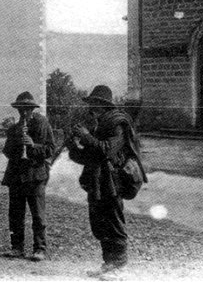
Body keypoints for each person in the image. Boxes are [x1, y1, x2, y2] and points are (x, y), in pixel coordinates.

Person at [67, 85, 135, 278]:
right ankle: (108, 264)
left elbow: (106, 150)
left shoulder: (118, 124)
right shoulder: (98, 126)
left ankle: (119, 267)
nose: (91, 108)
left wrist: (86, 136)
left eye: (95, 104)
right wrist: (73, 147)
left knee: (113, 222)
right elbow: (89, 156)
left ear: (105, 106)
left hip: (112, 180)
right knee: (100, 224)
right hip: (96, 181)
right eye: (91, 104)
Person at [1, 91, 55, 262]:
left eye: (27, 109)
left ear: (32, 109)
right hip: (16, 176)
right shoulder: (14, 128)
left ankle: (40, 248)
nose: (24, 113)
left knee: (38, 214)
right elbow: (7, 152)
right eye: (21, 109)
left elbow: (50, 149)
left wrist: (32, 146)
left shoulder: (42, 123)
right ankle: (17, 247)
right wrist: (16, 143)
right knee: (16, 214)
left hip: (35, 175)